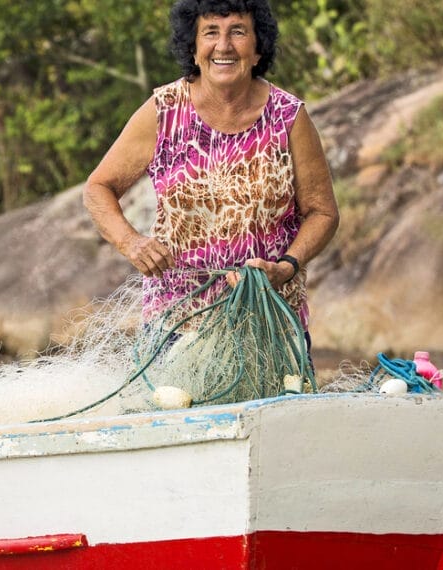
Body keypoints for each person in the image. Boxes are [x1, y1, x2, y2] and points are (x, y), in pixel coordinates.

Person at [84, 0, 339, 337]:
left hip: (270, 324)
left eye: (238, 32)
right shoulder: (164, 110)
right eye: (210, 32)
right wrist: (131, 243)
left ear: (258, 49)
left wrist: (286, 267)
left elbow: (323, 213)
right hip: (176, 324)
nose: (223, 46)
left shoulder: (288, 116)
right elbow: (98, 187)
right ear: (193, 48)